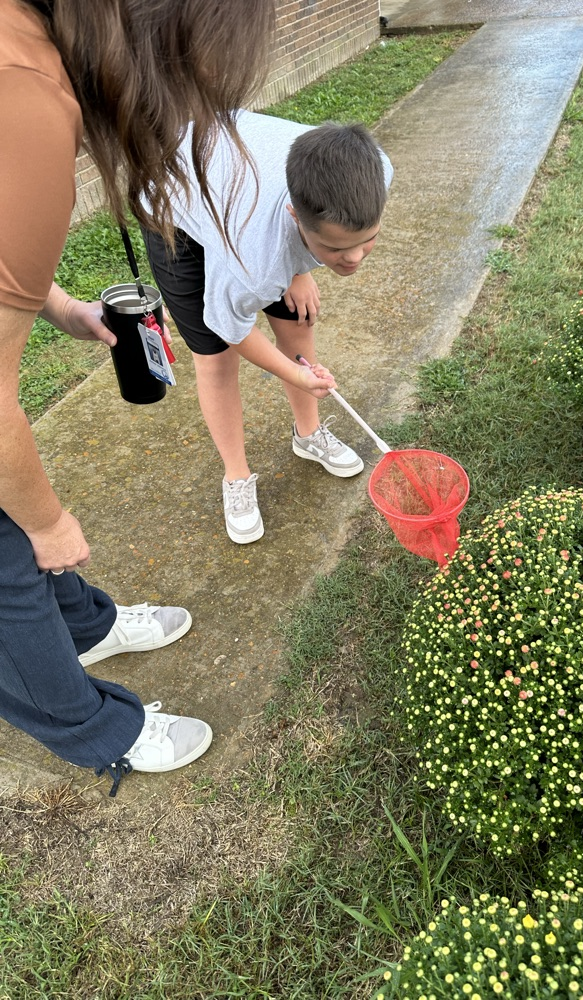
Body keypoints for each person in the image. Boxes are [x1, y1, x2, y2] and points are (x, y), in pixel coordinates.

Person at [0, 0, 280, 795]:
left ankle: (85, 628)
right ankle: (96, 732)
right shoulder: (29, 100)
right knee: (9, 554)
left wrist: (57, 306)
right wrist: (48, 522)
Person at [142, 111, 393, 544]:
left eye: (366, 239)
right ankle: (236, 476)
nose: (354, 258)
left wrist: (303, 267)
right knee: (215, 359)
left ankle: (308, 435)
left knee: (298, 320)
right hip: (175, 208)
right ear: (296, 218)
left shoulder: (378, 169)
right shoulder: (255, 262)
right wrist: (296, 373)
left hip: (241, 191)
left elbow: (298, 237)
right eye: (335, 248)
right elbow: (231, 328)